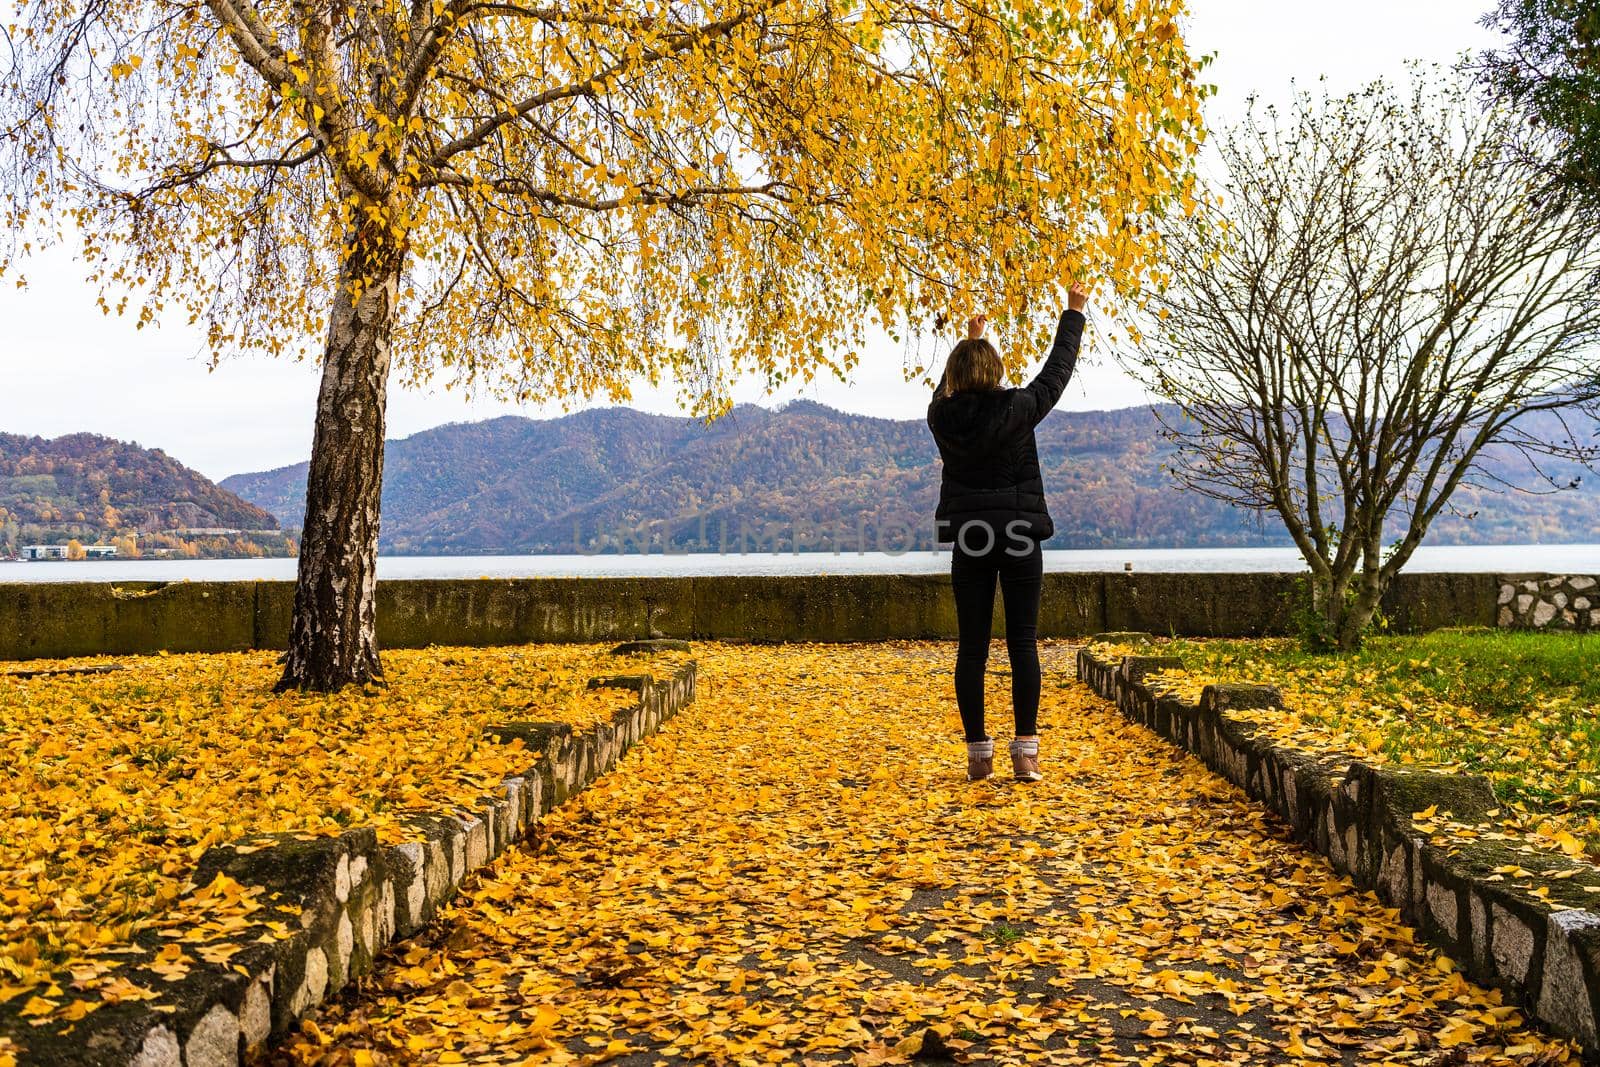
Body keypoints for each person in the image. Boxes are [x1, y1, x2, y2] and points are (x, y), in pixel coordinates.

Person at [927, 282, 1088, 782]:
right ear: (996, 372)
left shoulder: (941, 417)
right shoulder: (1017, 409)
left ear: (953, 376)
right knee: (1022, 642)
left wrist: (966, 342)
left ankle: (978, 756)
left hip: (971, 535)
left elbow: (946, 391)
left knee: (972, 647)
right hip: (1019, 532)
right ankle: (1026, 752)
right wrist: (1073, 313)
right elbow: (1056, 375)